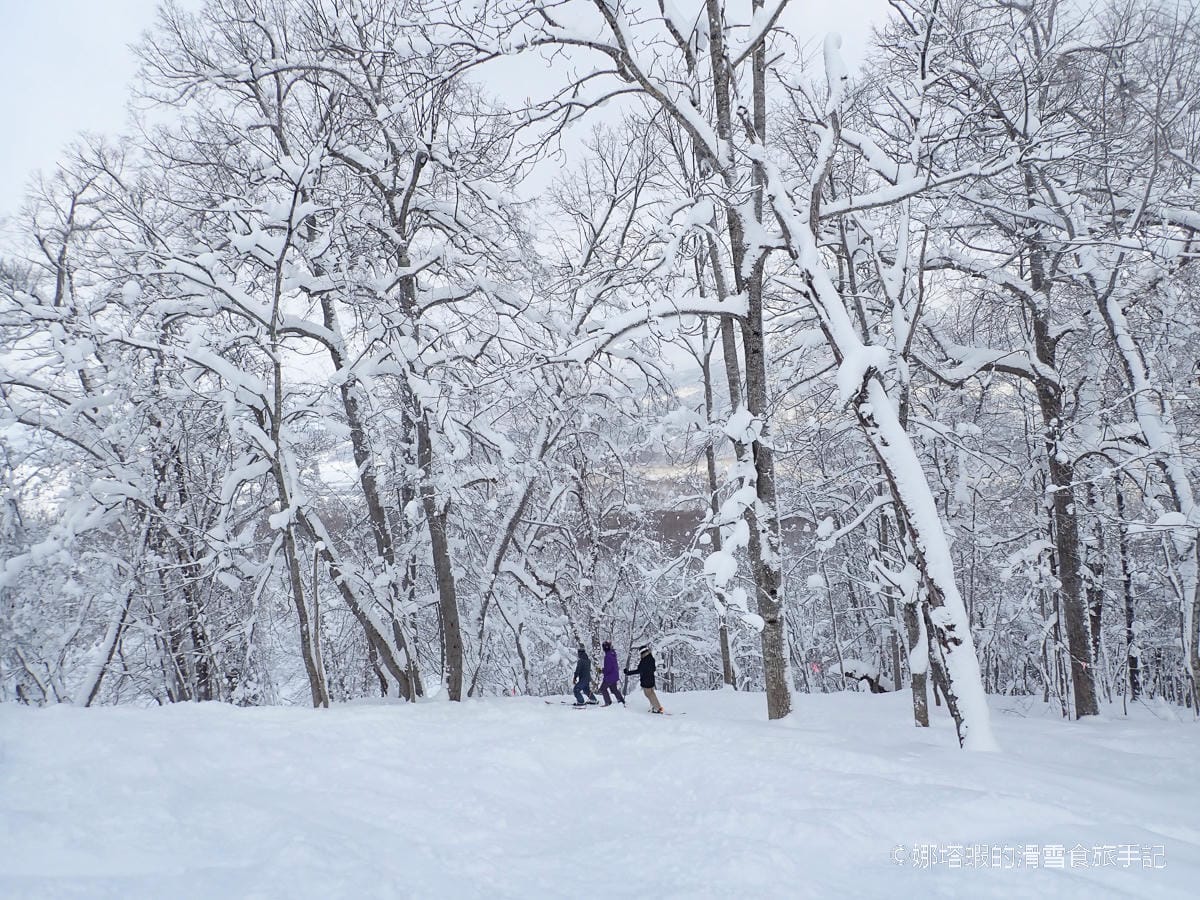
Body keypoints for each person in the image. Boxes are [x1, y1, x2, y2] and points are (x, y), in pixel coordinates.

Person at [625, 644, 663, 713]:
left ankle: (658, 708)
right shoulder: (651, 658)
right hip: (651, 679)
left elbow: (638, 671)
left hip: (646, 681)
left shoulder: (644, 661)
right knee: (652, 693)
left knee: (649, 694)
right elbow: (654, 669)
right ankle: (654, 707)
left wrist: (628, 673)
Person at [599, 641, 624, 706]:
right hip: (614, 675)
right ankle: (621, 700)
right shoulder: (612, 654)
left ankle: (608, 702)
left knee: (603, 688)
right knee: (613, 689)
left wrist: (602, 671)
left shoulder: (608, 656)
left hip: (609, 676)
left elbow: (608, 669)